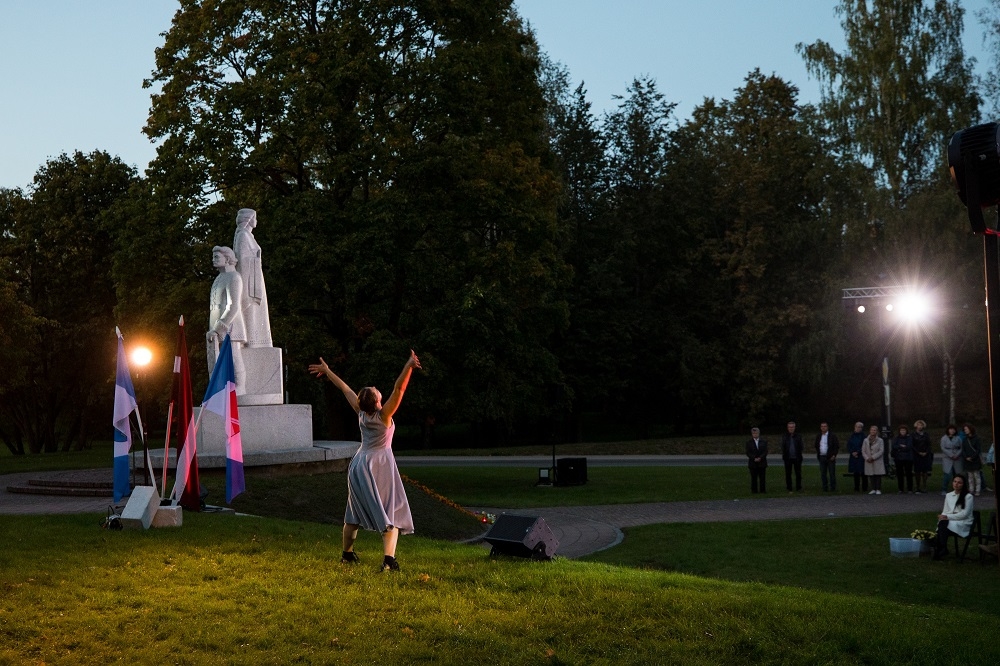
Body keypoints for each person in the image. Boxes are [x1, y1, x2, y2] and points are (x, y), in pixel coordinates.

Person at [308, 350, 421, 571]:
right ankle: (389, 561)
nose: (379, 390)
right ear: (378, 402)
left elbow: (344, 388)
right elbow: (399, 389)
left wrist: (328, 371)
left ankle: (347, 556)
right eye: (377, 392)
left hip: (359, 464)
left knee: (353, 512)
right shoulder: (384, 416)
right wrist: (409, 365)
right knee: (390, 510)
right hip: (378, 466)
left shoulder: (361, 412)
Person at [206, 246, 247, 393]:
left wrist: (218, 328)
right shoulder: (219, 278)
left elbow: (234, 306)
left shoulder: (234, 277)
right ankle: (223, 389)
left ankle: (240, 389)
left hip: (231, 325)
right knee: (220, 360)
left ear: (228, 259)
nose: (213, 260)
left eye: (217, 257)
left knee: (234, 356)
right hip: (218, 327)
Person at [233, 208, 273, 348]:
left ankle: (258, 341)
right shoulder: (243, 235)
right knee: (251, 311)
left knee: (257, 313)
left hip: (255, 278)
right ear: (250, 219)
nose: (256, 221)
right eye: (255, 217)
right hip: (249, 280)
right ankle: (252, 341)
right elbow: (242, 260)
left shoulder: (248, 235)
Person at [933, 474, 974, 560]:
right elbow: (945, 510)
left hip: (963, 521)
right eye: (955, 482)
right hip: (949, 520)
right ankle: (942, 548)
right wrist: (943, 516)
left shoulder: (968, 496)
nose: (956, 484)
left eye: (959, 483)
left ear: (963, 484)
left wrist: (947, 517)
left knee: (943, 524)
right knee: (942, 523)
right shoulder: (948, 495)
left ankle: (941, 548)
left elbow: (965, 514)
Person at [813, 422, 840, 492]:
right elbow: (816, 445)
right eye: (822, 426)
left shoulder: (832, 436)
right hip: (822, 457)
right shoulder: (819, 436)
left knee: (832, 474)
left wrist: (834, 455)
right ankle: (825, 488)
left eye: (825, 426)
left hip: (830, 457)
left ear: (827, 427)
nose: (823, 427)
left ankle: (833, 488)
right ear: (820, 427)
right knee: (823, 474)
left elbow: (836, 446)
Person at [940, 425, 963, 495]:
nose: (952, 431)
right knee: (947, 474)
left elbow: (961, 447)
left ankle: (957, 489)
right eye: (950, 429)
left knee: (957, 475)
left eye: (953, 430)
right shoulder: (944, 438)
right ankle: (944, 489)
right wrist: (951, 455)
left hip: (957, 458)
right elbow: (943, 448)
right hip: (947, 458)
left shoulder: (958, 438)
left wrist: (957, 455)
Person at [781, 421, 804, 493]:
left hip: (797, 458)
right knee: (788, 474)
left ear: (794, 428)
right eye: (789, 427)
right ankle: (789, 488)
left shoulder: (798, 436)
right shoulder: (784, 436)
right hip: (788, 458)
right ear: (787, 428)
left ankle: (798, 487)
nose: (791, 428)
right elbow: (782, 446)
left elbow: (801, 446)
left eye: (792, 427)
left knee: (798, 473)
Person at [891, 425, 914, 494]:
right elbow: (894, 446)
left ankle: (910, 489)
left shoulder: (909, 438)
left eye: (904, 430)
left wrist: (900, 447)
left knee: (909, 474)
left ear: (906, 431)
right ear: (899, 431)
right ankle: (900, 489)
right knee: (899, 474)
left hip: (908, 458)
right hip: (898, 459)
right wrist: (901, 447)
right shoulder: (896, 438)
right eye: (901, 430)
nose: (903, 432)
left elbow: (909, 447)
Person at [911, 419, 932, 494]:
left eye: (921, 425)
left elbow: (929, 444)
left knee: (925, 471)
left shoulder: (926, 434)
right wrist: (918, 452)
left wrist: (926, 452)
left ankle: (924, 486)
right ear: (916, 426)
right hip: (917, 455)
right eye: (919, 425)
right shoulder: (913, 435)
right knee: (917, 471)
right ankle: (917, 487)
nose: (920, 426)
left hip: (925, 454)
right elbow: (912, 445)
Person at [862, 425, 885, 495]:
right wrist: (867, 458)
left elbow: (881, 451)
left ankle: (878, 488)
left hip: (877, 460)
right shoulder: (865, 440)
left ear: (877, 431)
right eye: (872, 430)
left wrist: (873, 457)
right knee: (871, 475)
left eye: (874, 430)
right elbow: (863, 450)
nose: (873, 431)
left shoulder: (880, 440)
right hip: (868, 460)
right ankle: (873, 488)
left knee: (877, 475)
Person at [962, 424, 983, 496]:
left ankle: (978, 490)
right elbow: (963, 449)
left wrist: (972, 457)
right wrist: (966, 457)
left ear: (970, 429)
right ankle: (971, 490)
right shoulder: (965, 439)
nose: (965, 431)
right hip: (967, 460)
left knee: (976, 476)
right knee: (970, 476)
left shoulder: (976, 439)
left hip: (975, 460)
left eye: (966, 429)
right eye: (964, 429)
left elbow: (978, 450)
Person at [745, 427, 768, 493]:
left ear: (759, 433)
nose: (755, 434)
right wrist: (754, 458)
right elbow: (748, 452)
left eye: (756, 433)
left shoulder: (763, 442)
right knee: (754, 478)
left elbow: (765, 451)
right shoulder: (749, 442)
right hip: (753, 463)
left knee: (762, 478)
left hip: (762, 462)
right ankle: (754, 491)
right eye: (753, 433)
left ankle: (762, 490)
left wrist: (760, 457)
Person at [846, 421, 868, 492]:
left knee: (863, 472)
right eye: (857, 427)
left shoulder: (864, 436)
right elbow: (849, 445)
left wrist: (858, 452)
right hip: (853, 456)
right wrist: (852, 452)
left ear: (862, 428)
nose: (858, 428)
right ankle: (856, 487)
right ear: (854, 427)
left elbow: (864, 446)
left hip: (861, 456)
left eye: (860, 427)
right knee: (856, 472)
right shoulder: (851, 436)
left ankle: (864, 487)